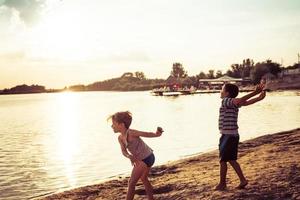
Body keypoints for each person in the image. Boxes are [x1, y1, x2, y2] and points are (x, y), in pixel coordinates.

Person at [215, 83, 266, 191]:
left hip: (228, 136)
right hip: (230, 135)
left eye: (222, 89)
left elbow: (241, 101)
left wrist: (255, 93)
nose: (221, 91)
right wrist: (258, 98)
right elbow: (245, 102)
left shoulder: (226, 101)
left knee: (223, 160)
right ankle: (242, 180)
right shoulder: (232, 103)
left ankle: (223, 184)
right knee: (230, 159)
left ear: (227, 93)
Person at [108, 111, 163, 200]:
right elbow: (123, 151)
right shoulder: (120, 138)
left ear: (121, 125)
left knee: (131, 182)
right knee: (144, 179)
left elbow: (146, 134)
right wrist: (129, 156)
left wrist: (157, 134)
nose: (111, 126)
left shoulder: (131, 133)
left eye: (113, 124)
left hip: (146, 157)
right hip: (148, 157)